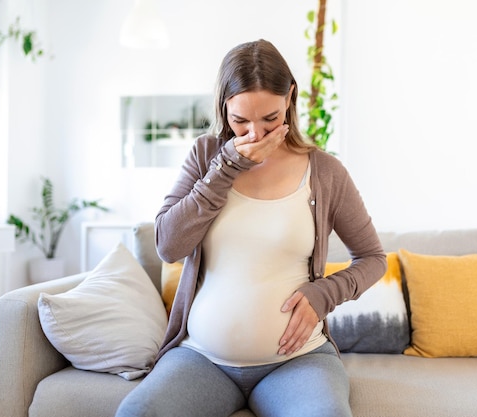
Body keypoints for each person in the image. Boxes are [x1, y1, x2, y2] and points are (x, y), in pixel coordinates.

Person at [116, 39, 387, 417]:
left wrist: (324, 293)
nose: (254, 135)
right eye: (240, 121)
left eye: (270, 119)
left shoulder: (325, 172)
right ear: (223, 106)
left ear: (290, 97)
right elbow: (168, 246)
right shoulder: (205, 156)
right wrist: (225, 168)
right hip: (201, 359)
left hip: (298, 361)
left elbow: (373, 258)